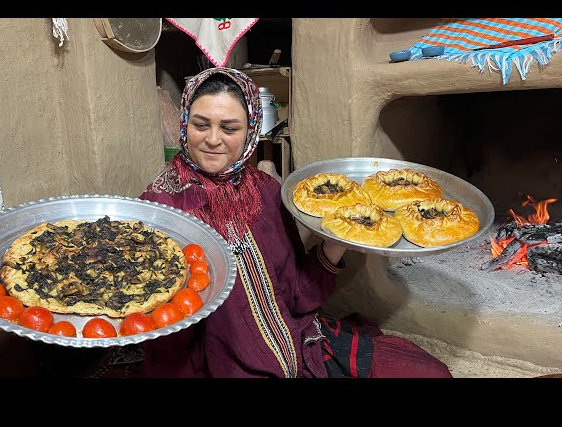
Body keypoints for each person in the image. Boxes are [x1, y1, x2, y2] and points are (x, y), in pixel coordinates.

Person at [137, 67, 452, 378]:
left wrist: (335, 243)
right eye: (200, 124)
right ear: (184, 124)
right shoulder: (161, 207)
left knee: (430, 373)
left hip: (300, 339)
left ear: (250, 130)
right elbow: (165, 327)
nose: (213, 139)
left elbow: (297, 291)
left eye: (229, 128)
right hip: (224, 364)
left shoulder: (266, 189)